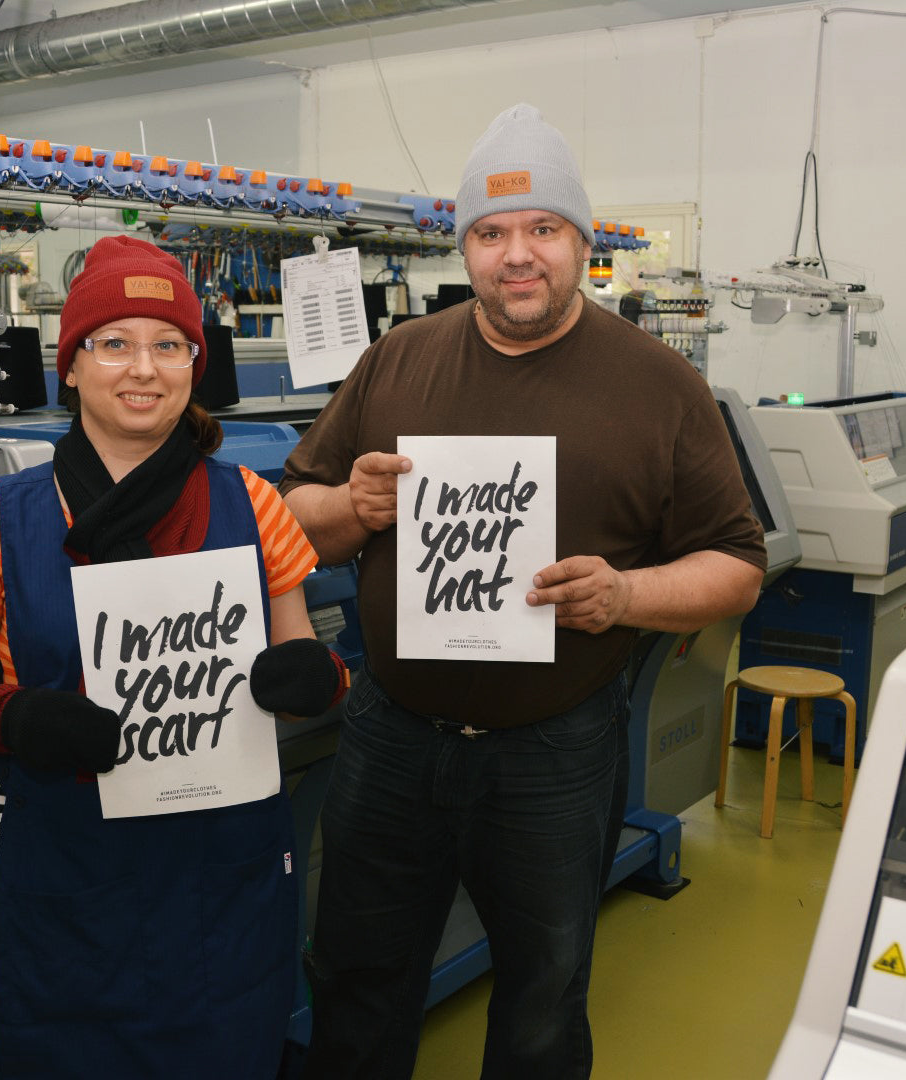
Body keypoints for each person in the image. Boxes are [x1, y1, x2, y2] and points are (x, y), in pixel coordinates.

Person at [279, 103, 768, 1079]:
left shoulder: (658, 383)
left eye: (543, 228)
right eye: (491, 232)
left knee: (543, 998)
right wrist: (353, 504)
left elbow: (737, 563)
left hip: (553, 754)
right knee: (355, 982)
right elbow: (296, 515)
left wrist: (625, 596)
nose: (518, 255)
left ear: (582, 242)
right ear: (463, 249)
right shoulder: (396, 360)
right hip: (391, 741)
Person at [0, 235, 348, 1078]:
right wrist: (10, 714)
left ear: (195, 360)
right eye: (112, 343)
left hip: (223, 873)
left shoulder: (254, 503)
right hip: (62, 876)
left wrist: (310, 680)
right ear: (71, 365)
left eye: (168, 344)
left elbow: (303, 660)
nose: (142, 368)